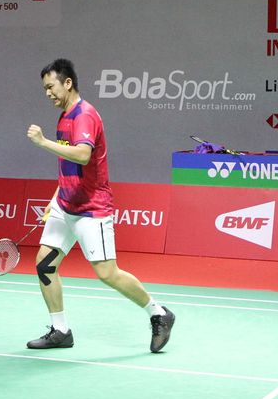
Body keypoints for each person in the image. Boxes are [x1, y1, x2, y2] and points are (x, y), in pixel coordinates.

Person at [25, 58, 175, 353]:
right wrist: (55, 198)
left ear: (68, 83)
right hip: (65, 205)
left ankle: (158, 314)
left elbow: (81, 155)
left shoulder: (85, 116)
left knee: (107, 273)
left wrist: (42, 142)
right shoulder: (65, 115)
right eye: (44, 89)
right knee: (45, 265)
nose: (48, 93)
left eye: (51, 87)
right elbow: (69, 162)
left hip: (91, 209)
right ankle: (60, 330)